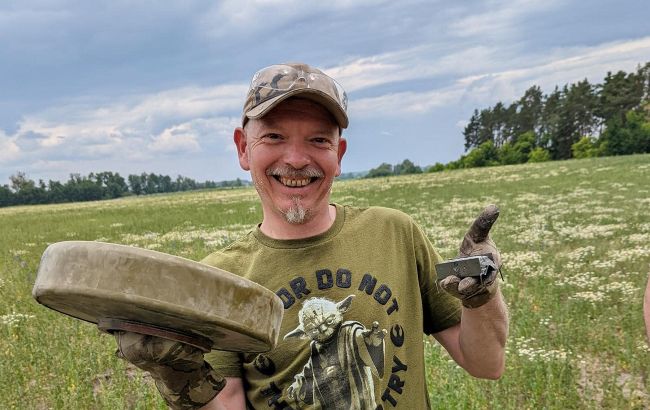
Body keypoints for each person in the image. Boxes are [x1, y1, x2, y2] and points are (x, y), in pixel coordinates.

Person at [115, 62, 509, 409]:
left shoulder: (394, 233)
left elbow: (486, 363)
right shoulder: (220, 280)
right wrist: (176, 376)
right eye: (274, 137)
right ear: (243, 148)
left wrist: (483, 295)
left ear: (338, 154)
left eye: (318, 140)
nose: (297, 159)